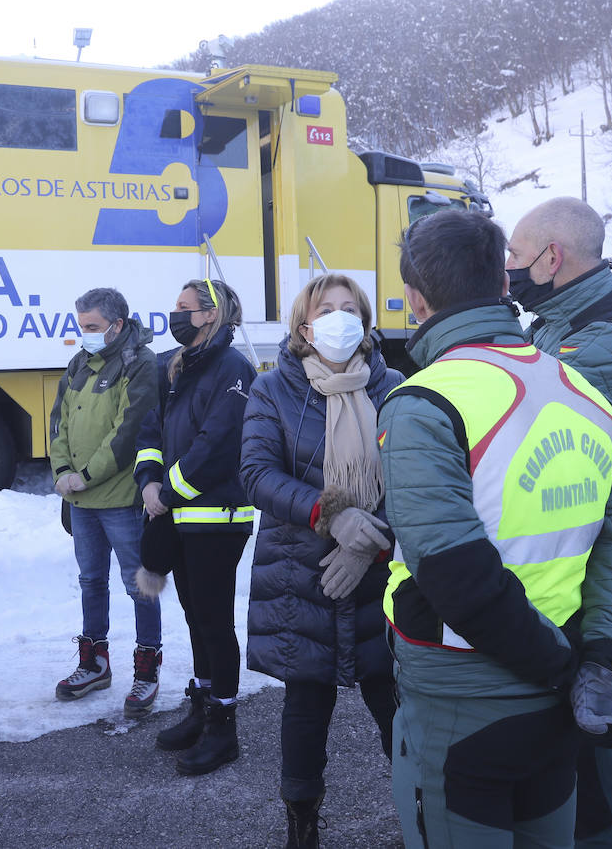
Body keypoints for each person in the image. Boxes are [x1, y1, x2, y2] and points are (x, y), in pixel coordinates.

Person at [378, 209, 612, 848]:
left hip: (462, 697)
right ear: (502, 283)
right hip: (558, 697)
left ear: (416, 299)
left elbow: (452, 570)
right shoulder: (577, 385)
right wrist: (596, 663)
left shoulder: (424, 401)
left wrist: (562, 667)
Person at [508, 197, 612, 848]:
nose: (509, 270)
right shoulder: (557, 321)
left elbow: (519, 406)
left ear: (553, 257)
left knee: (589, 754)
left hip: (591, 557)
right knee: (555, 737)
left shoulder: (610, 337)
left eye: (515, 257)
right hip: (558, 546)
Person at [239, 273, 401, 847]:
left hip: (380, 573)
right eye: (324, 309)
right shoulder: (273, 389)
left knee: (395, 702)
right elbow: (257, 475)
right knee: (306, 704)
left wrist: (370, 540)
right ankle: (301, 819)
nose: (338, 318)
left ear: (365, 320)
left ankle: (420, 808)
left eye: (348, 308)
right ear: (303, 326)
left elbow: (415, 479)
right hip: (301, 572)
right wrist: (333, 516)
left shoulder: (396, 386)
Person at [132, 279, 256, 775]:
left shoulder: (235, 370)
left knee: (214, 623)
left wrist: (168, 492)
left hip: (216, 520)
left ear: (210, 315)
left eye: (184, 307)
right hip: (177, 516)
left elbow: (217, 444)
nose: (175, 314)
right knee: (194, 621)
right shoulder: (173, 365)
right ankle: (202, 708)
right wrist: (148, 480)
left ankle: (224, 728)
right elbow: (150, 429)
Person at [49, 287, 161, 716]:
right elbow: (59, 422)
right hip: (81, 502)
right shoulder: (80, 362)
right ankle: (95, 663)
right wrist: (61, 472)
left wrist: (86, 476)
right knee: (91, 582)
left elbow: (128, 431)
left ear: (117, 325)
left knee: (140, 587)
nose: (86, 335)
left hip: (120, 500)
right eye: (82, 327)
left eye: (93, 327)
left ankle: (146, 671)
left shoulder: (140, 364)